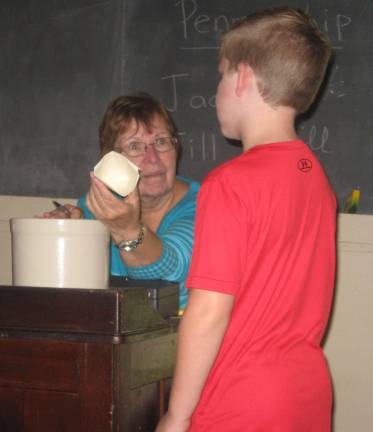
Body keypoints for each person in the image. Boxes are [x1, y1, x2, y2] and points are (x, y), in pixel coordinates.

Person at [156, 6, 336, 432]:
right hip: (306, 396)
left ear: (242, 77)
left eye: (220, 76)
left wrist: (176, 416)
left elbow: (207, 313)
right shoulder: (316, 179)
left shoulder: (230, 183)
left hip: (242, 402)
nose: (217, 89)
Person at [44, 93, 200, 311]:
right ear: (111, 160)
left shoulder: (205, 204)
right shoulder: (97, 206)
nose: (152, 158)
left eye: (161, 142)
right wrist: (70, 234)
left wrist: (127, 230)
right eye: (135, 146)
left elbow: (171, 269)